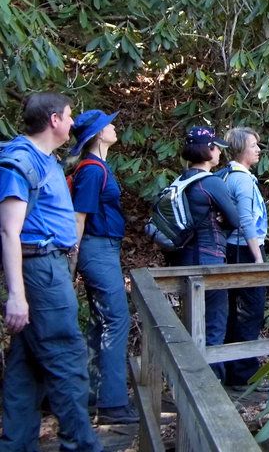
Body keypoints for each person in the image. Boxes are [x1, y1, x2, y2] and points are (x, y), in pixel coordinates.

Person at [0, 92, 103, 451]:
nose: (74, 123)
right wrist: (17, 295)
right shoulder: (20, 161)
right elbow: (9, 230)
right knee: (66, 357)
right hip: (40, 269)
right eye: (70, 116)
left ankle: (16, 444)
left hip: (50, 265)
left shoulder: (47, 160)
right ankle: (82, 445)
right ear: (55, 120)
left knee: (26, 366)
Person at [69, 109, 138, 424]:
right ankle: (112, 404)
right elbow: (79, 218)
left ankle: (93, 396)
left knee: (101, 322)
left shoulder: (99, 167)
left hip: (103, 248)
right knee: (116, 320)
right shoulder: (93, 170)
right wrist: (72, 261)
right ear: (98, 134)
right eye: (108, 124)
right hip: (96, 249)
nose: (114, 127)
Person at [173, 126, 240, 380]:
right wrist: (222, 218)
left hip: (183, 256)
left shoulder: (182, 180)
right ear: (208, 150)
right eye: (217, 147)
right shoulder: (210, 183)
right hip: (208, 256)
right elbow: (234, 219)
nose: (220, 153)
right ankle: (211, 383)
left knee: (191, 321)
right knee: (213, 321)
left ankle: (190, 379)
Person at [220, 127, 268, 390]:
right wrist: (258, 257)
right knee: (251, 312)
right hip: (244, 250)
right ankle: (244, 375)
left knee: (233, 311)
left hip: (231, 250)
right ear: (240, 149)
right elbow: (246, 220)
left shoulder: (225, 175)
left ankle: (232, 369)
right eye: (253, 145)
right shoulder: (243, 179)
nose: (258, 149)